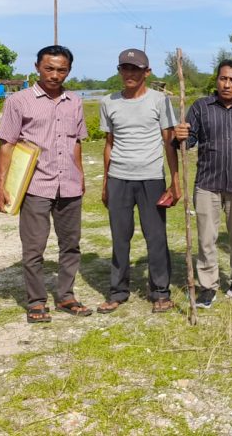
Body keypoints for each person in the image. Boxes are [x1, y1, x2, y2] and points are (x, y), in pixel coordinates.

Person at [0, 45, 91, 323]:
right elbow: (7, 145)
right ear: (37, 66)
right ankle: (36, 301)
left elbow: (76, 142)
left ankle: (66, 296)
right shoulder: (19, 101)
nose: (55, 74)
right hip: (35, 185)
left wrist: (81, 174)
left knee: (71, 245)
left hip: (69, 186)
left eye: (61, 69)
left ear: (69, 71)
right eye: (49, 68)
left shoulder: (74, 101)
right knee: (34, 248)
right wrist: (0, 186)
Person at [173, 60, 232, 308]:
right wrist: (181, 136)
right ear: (216, 80)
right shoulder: (201, 107)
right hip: (207, 183)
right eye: (223, 78)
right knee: (207, 238)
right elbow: (189, 140)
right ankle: (208, 286)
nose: (226, 84)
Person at [97, 48, 180, 314]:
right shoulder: (108, 102)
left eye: (135, 69)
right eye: (125, 68)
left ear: (147, 72)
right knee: (120, 237)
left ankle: (160, 291)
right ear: (119, 71)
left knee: (155, 236)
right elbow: (108, 145)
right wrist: (106, 183)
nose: (129, 74)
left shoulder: (160, 101)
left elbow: (169, 142)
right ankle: (118, 291)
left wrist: (175, 180)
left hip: (152, 177)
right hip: (119, 178)